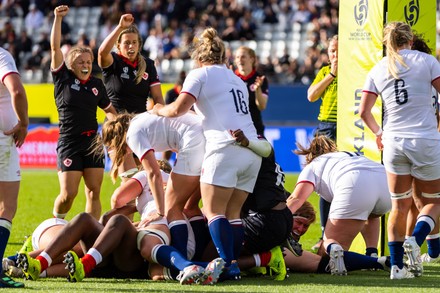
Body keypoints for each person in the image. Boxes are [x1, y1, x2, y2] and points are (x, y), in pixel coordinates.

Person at [151, 27, 271, 284]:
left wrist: (158, 109)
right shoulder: (236, 79)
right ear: (222, 56)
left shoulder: (199, 74)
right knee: (234, 213)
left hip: (224, 148)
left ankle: (228, 265)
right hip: (250, 150)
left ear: (198, 57)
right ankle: (234, 263)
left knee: (213, 210)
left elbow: (177, 110)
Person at [359, 21, 440, 280]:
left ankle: (396, 268)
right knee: (433, 202)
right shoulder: (427, 61)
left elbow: (363, 112)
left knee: (398, 207)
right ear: (411, 38)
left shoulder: (378, 68)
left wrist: (378, 134)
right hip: (425, 139)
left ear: (387, 42)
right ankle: (416, 240)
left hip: (393, 142)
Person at [98, 112, 205, 260]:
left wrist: (159, 212)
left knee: (172, 207)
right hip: (203, 134)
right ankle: (206, 259)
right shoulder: (141, 122)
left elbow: (153, 173)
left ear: (117, 141)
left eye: (111, 148)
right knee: (190, 206)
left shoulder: (132, 135)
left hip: (194, 139)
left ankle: (184, 265)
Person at [49, 6, 117, 220]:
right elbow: (54, 48)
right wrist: (57, 19)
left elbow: (110, 111)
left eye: (88, 62)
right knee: (69, 194)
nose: (86, 65)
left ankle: (92, 234)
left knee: (94, 192)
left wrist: (119, 127)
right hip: (69, 142)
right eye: (81, 63)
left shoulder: (97, 84)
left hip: (93, 143)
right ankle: (56, 224)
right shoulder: (63, 79)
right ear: (71, 65)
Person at [286, 135, 391, 268]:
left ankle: (366, 259)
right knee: (370, 213)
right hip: (385, 183)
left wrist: (276, 220)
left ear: (310, 156)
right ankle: (372, 253)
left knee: (325, 258)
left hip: (353, 181)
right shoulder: (351, 156)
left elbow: (297, 198)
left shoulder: (313, 165)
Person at [98, 13, 165, 181]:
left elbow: (158, 98)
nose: (130, 46)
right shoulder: (113, 61)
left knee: (145, 185)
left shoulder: (148, 65)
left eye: (134, 42)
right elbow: (101, 52)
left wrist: (160, 116)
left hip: (141, 127)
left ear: (139, 44)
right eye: (126, 43)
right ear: (118, 46)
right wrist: (120, 27)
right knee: (130, 184)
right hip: (117, 127)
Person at [306, 35, 338, 253]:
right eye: (332, 51)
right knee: (325, 184)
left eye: (338, 50)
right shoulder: (325, 72)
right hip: (326, 127)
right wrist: (333, 74)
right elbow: (311, 95)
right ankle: (325, 234)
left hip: (351, 127)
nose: (335, 55)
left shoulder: (356, 70)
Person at [0, 45, 29, 288]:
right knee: (6, 206)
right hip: (2, 140)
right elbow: (17, 91)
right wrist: (24, 122)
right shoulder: (1, 56)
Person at [233, 46, 269, 137]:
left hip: (255, 129)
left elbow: (262, 106)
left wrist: (258, 90)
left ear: (252, 59)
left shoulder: (260, 79)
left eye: (243, 57)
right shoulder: (230, 78)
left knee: (268, 151)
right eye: (237, 57)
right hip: (235, 130)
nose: (239, 60)